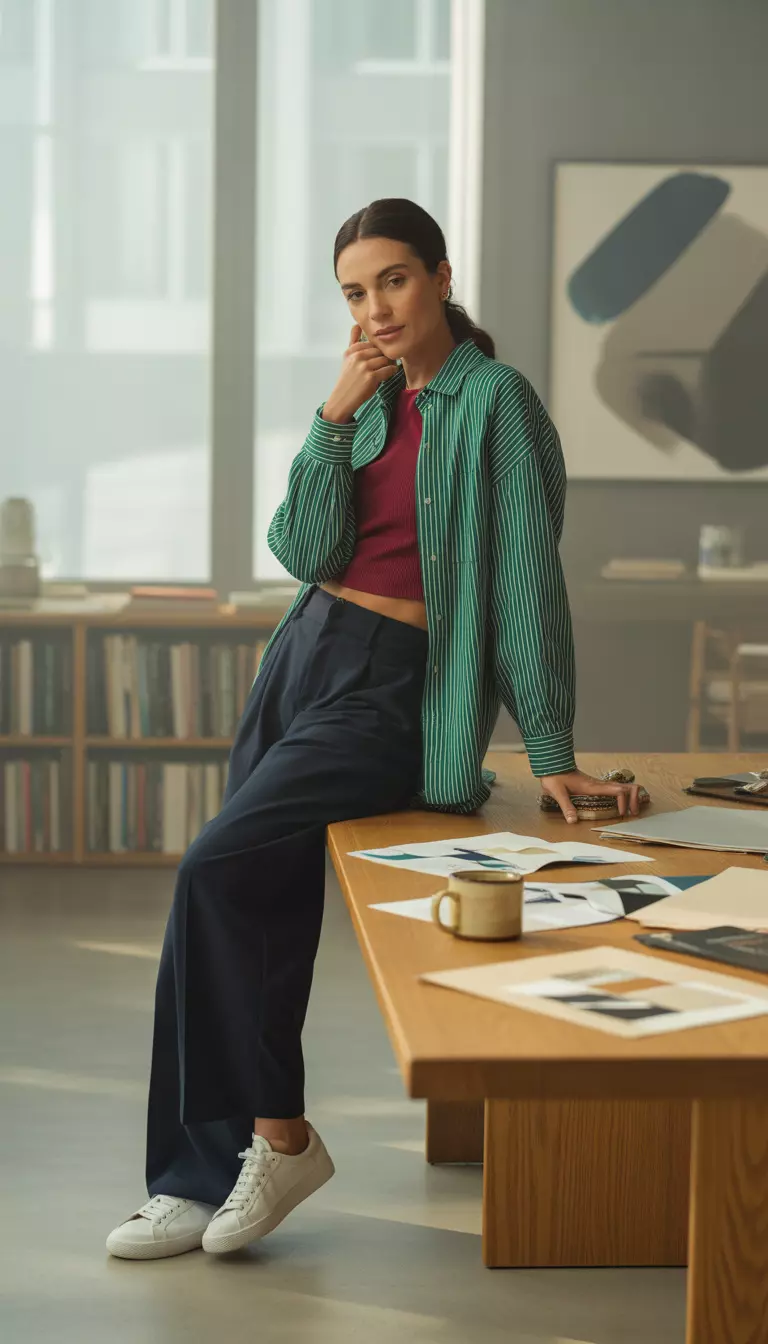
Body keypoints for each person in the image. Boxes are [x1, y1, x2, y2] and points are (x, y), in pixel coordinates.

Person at [106, 197, 642, 1261]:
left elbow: (528, 583)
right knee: (246, 894)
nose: (376, 308)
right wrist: (332, 418)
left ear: (440, 277)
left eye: (394, 280)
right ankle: (191, 1180)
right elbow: (304, 551)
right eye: (355, 292)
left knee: (214, 866)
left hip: (393, 684)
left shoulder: (499, 404)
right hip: (303, 654)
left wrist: (551, 751)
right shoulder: (370, 401)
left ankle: (279, 1136)